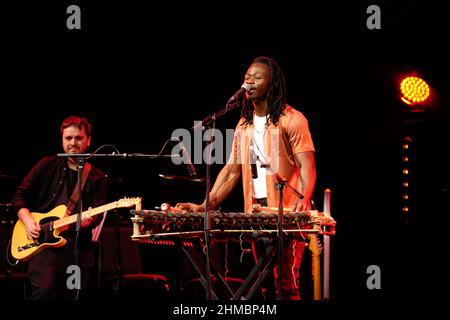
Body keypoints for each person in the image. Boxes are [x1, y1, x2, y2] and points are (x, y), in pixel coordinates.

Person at [176, 56, 316, 300]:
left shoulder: (293, 120)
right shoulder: (244, 125)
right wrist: (204, 206)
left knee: (285, 286)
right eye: (247, 77)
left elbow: (307, 166)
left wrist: (303, 200)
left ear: (271, 85)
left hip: (286, 214)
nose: (249, 81)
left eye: (257, 77)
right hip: (256, 213)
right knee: (263, 285)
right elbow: (232, 171)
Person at [11, 115, 107, 300]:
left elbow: (98, 214)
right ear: (62, 139)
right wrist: (28, 220)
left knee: (74, 296)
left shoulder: (97, 177)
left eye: (78, 138)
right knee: (44, 292)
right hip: (43, 246)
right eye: (68, 138)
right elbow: (19, 196)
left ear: (88, 140)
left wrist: (88, 222)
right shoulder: (47, 165)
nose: (72, 143)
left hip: (77, 248)